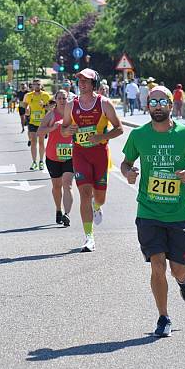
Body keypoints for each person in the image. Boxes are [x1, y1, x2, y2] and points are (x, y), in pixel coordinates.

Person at [120, 85, 185, 337]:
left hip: (179, 214)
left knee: (177, 268)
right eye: (152, 102)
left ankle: (182, 279)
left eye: (162, 102)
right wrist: (128, 173)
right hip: (148, 212)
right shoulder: (138, 136)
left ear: (170, 105)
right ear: (147, 106)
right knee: (157, 265)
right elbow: (125, 162)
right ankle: (163, 317)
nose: (157, 106)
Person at [62, 68, 124, 252]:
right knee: (85, 193)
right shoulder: (70, 105)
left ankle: (97, 206)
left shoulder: (104, 103)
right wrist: (68, 131)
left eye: (86, 81)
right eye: (79, 81)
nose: (82, 84)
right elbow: (64, 130)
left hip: (99, 154)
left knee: (100, 197)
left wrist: (100, 137)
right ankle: (89, 237)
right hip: (80, 154)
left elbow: (119, 129)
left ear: (94, 83)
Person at [38, 90, 74, 226]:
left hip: (70, 155)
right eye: (59, 98)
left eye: (64, 98)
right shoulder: (51, 115)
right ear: (56, 100)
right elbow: (39, 132)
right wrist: (52, 127)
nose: (62, 101)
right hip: (53, 156)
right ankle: (59, 209)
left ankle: (67, 214)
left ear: (68, 99)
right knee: (57, 186)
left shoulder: (72, 114)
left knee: (67, 184)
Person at [24, 79, 51, 171]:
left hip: (42, 123)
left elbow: (52, 107)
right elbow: (25, 105)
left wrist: (44, 106)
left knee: (41, 142)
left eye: (38, 84)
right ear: (32, 86)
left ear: (41, 85)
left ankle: (41, 161)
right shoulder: (28, 96)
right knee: (33, 142)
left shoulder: (46, 95)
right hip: (32, 122)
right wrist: (27, 109)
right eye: (35, 85)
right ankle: (34, 162)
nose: (37, 86)